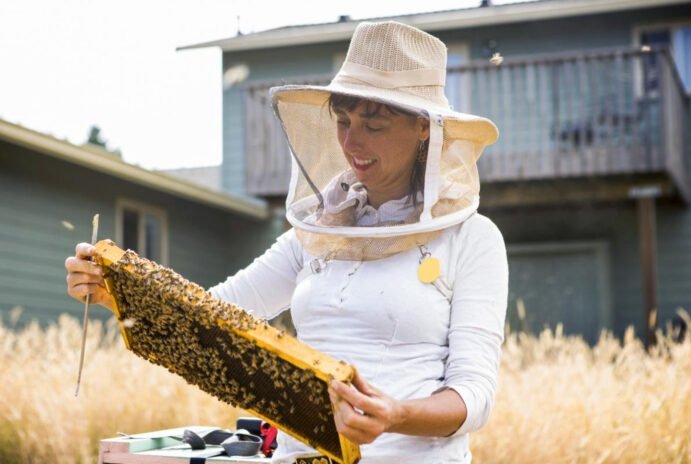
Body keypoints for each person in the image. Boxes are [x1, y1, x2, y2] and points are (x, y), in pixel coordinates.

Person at [66, 21, 508, 464]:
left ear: (423, 128)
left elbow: (474, 395)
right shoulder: (316, 233)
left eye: (373, 125)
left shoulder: (472, 239)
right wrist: (120, 294)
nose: (351, 142)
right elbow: (215, 315)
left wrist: (394, 415)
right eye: (342, 121)